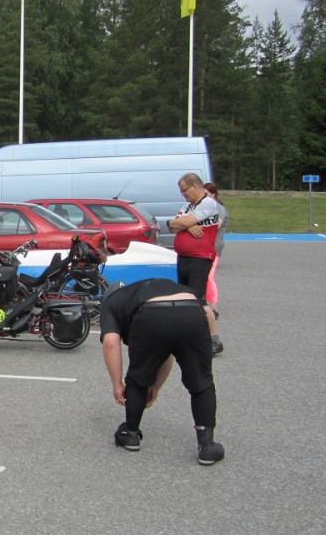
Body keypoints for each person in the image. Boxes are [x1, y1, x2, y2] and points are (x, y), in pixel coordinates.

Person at [100, 278, 225, 466]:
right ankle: (206, 445)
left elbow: (110, 343)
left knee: (138, 378)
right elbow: (167, 350)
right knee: (201, 381)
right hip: (192, 311)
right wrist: (156, 385)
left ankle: (131, 434)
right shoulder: (158, 287)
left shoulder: (111, 302)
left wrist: (117, 383)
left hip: (151, 316)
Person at [168, 173, 224, 356]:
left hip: (200, 258)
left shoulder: (208, 203)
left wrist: (184, 223)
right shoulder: (188, 206)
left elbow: (181, 222)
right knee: (185, 299)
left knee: (198, 300)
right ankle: (188, 337)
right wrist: (187, 225)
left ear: (194, 186)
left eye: (184, 190)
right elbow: (171, 226)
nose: (183, 194)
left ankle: (214, 339)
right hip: (184, 257)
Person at [204, 182, 228, 318]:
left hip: (214, 246)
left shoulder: (219, 209)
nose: (204, 197)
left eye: (206, 194)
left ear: (213, 194)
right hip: (205, 245)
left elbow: (215, 227)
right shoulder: (205, 207)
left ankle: (214, 307)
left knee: (209, 276)